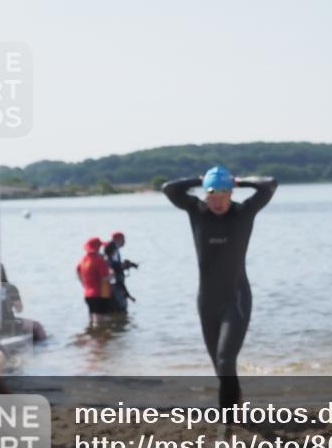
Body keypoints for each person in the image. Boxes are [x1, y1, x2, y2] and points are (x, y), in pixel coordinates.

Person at [162, 165, 277, 411]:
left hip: (236, 300)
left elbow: (269, 185)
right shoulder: (197, 211)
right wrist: (199, 180)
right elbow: (169, 189)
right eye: (211, 195)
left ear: (230, 194)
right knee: (219, 366)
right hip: (206, 302)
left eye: (222, 195)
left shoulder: (243, 213)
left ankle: (227, 419)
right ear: (206, 195)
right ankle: (237, 403)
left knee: (225, 361)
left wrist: (239, 181)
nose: (216, 202)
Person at [76, 237, 112, 327]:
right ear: (98, 248)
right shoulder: (99, 260)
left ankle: (92, 334)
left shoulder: (83, 259)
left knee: (92, 320)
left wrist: (83, 283)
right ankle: (99, 335)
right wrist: (112, 274)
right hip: (101, 294)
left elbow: (77, 270)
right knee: (102, 322)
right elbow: (104, 278)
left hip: (88, 294)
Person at [104, 232, 137, 313]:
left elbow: (114, 265)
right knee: (119, 309)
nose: (124, 241)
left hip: (114, 285)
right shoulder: (112, 249)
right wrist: (123, 266)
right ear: (118, 240)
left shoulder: (114, 249)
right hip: (114, 287)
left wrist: (126, 265)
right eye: (123, 239)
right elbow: (112, 266)